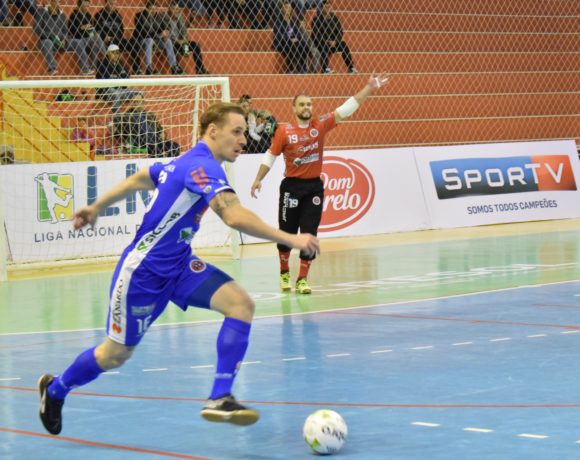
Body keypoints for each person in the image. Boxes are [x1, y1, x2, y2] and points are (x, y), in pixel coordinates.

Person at [38, 102, 320, 436]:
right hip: (143, 273)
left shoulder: (184, 161)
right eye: (236, 131)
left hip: (180, 265)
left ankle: (219, 397)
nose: (243, 140)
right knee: (115, 355)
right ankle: (55, 390)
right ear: (212, 131)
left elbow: (142, 178)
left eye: (244, 132)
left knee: (240, 305)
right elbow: (232, 215)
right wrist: (291, 238)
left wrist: (97, 206)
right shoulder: (202, 165)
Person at [250, 73, 388, 294]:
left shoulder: (320, 124)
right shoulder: (284, 131)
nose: (307, 107)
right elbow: (271, 155)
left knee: (309, 234)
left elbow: (346, 109)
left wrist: (369, 87)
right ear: (294, 108)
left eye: (309, 104)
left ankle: (302, 279)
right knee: (286, 233)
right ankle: (284, 272)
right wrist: (258, 179)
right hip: (291, 188)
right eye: (302, 104)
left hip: (313, 188)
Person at [112, 93, 180, 157]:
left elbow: (160, 129)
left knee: (175, 146)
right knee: (156, 149)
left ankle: (165, 161)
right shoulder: (126, 116)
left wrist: (162, 133)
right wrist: (115, 130)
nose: (135, 103)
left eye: (137, 101)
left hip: (156, 141)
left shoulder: (150, 115)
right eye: (133, 102)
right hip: (143, 143)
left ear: (143, 102)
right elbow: (122, 134)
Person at [132, 0, 182, 75]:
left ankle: (174, 66)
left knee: (168, 41)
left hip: (156, 40)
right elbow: (145, 32)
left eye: (155, 9)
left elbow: (163, 28)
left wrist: (166, 33)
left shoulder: (158, 17)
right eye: (151, 9)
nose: (153, 11)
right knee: (149, 40)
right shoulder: (139, 16)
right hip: (142, 40)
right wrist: (159, 35)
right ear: (146, 9)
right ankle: (149, 67)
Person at [311, 0, 356, 74]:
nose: (328, 6)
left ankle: (351, 67)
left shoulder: (335, 18)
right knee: (324, 46)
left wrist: (336, 41)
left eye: (329, 4)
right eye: (325, 5)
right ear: (321, 7)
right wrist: (327, 41)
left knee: (343, 45)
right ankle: (325, 69)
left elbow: (340, 32)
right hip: (321, 42)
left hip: (333, 42)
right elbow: (316, 35)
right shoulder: (316, 19)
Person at [96, 44, 142, 113]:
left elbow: (126, 77)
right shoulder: (102, 63)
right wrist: (118, 78)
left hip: (120, 90)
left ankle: (136, 114)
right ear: (108, 54)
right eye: (113, 53)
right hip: (106, 92)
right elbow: (106, 79)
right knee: (116, 95)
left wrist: (118, 78)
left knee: (139, 93)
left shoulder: (120, 63)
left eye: (117, 53)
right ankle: (117, 117)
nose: (116, 55)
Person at [167, 1, 209, 75]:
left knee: (195, 45)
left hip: (182, 42)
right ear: (170, 9)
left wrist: (183, 41)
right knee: (171, 46)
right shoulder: (165, 18)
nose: (176, 11)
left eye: (177, 9)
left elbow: (184, 31)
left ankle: (200, 68)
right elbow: (167, 33)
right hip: (171, 42)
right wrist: (177, 41)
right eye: (174, 9)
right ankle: (175, 69)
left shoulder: (180, 17)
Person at [67, 0, 107, 75]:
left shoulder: (88, 15)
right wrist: (81, 28)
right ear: (80, 4)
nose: (87, 6)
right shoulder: (74, 15)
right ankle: (107, 57)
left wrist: (92, 31)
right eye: (85, 4)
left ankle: (94, 66)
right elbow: (71, 32)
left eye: (87, 5)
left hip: (87, 38)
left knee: (95, 40)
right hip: (77, 38)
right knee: (96, 38)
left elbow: (91, 29)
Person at [272, 1, 310, 74]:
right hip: (282, 42)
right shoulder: (278, 20)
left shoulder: (294, 20)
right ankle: (292, 68)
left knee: (303, 43)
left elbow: (298, 32)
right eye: (286, 7)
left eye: (289, 8)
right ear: (282, 9)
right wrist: (290, 39)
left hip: (294, 41)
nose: (288, 9)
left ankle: (303, 67)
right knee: (293, 45)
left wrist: (297, 38)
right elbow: (279, 35)